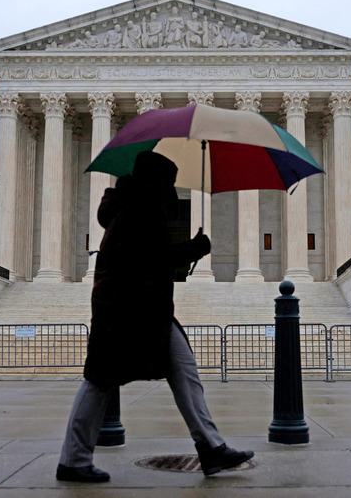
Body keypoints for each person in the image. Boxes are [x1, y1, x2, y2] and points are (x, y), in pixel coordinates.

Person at [56, 151, 254, 483]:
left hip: (145, 307)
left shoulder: (134, 206)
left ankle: (211, 446)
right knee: (99, 381)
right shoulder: (137, 209)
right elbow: (148, 258)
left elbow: (148, 258)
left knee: (184, 368)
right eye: (169, 181)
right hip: (124, 309)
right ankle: (73, 460)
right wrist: (194, 249)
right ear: (156, 181)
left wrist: (188, 250)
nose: (172, 189)